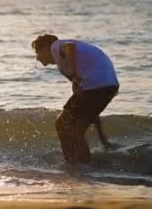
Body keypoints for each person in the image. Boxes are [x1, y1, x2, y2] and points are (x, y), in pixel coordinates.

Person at [32, 34, 119, 164]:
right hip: (107, 85)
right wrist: (103, 138)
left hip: (97, 86)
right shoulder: (65, 63)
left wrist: (73, 72)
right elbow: (89, 109)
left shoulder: (56, 47)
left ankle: (80, 166)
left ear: (45, 47)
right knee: (66, 125)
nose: (37, 58)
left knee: (73, 130)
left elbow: (70, 47)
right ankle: (75, 162)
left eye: (38, 52)